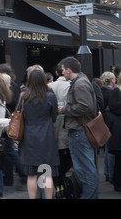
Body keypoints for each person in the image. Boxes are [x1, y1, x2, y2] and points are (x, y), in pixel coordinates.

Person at [59, 56, 99, 199]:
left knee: (86, 169)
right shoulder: (81, 81)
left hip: (79, 131)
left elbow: (85, 106)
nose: (62, 73)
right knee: (84, 169)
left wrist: (65, 109)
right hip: (79, 130)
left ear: (69, 70)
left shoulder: (80, 84)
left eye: (63, 70)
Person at [18, 70, 60, 199]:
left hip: (29, 137)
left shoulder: (23, 96)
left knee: (31, 175)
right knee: (46, 173)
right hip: (46, 137)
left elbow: (19, 115)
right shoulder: (50, 96)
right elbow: (54, 117)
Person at [48, 63, 72, 194]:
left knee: (55, 156)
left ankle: (57, 183)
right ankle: (62, 181)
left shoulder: (50, 87)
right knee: (68, 154)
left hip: (53, 126)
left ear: (56, 74)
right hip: (68, 124)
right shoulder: (71, 86)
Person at [106, 82, 121, 191]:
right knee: (118, 160)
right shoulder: (117, 91)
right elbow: (113, 106)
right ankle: (117, 182)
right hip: (118, 130)